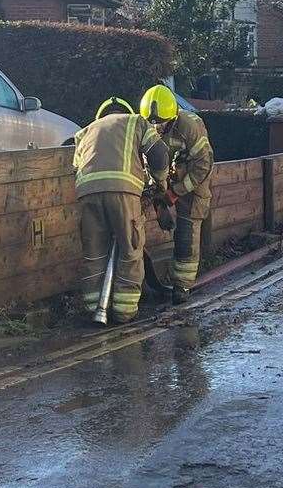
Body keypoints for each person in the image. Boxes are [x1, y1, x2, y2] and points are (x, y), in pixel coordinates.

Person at [72, 96, 172, 324]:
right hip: (123, 191)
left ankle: (93, 308)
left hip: (87, 192)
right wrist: (160, 181)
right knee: (130, 248)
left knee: (94, 252)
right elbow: (159, 154)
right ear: (126, 111)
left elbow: (76, 168)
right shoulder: (136, 122)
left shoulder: (84, 132)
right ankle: (123, 312)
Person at [139, 85, 216, 304]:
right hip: (166, 175)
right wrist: (159, 202)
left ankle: (182, 286)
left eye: (161, 122)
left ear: (172, 116)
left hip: (193, 175)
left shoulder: (189, 127)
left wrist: (177, 192)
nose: (156, 127)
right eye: (151, 122)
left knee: (187, 230)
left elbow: (203, 165)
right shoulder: (145, 126)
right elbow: (148, 163)